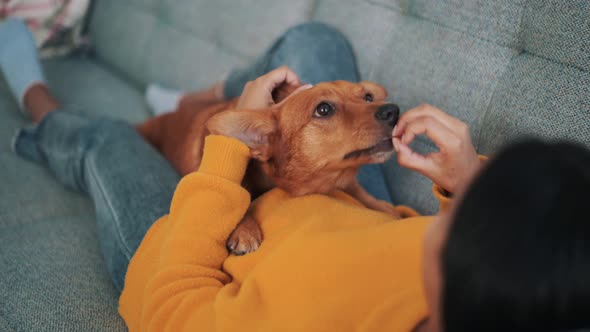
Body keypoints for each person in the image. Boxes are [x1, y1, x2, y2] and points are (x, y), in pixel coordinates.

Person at [3, 18, 590, 331]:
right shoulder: (511, 272)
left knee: (106, 138)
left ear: (466, 274)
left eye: (466, 218)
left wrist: (232, 151)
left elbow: (170, 308)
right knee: (316, 41)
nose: (455, 216)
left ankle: (34, 97)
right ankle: (191, 97)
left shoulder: (324, 314)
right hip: (334, 186)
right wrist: (465, 178)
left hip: (192, 236)